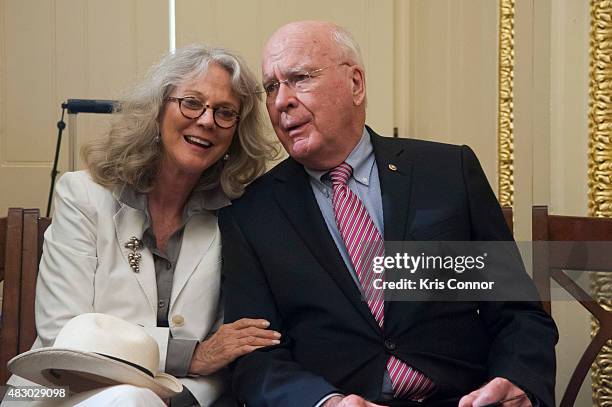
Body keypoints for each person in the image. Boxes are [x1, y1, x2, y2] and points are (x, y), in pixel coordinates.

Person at [219, 21, 558, 407]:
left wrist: (515, 381)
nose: (281, 101)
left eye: (300, 78)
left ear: (356, 84)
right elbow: (256, 358)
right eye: (272, 87)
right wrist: (325, 402)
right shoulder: (252, 214)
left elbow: (517, 313)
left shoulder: (447, 172)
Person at [7, 44, 280, 406]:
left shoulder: (236, 215)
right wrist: (189, 355)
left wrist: (183, 397)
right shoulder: (83, 196)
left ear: (234, 133)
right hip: (56, 391)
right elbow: (65, 334)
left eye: (225, 112)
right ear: (157, 110)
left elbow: (227, 350)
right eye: (192, 102)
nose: (207, 120)